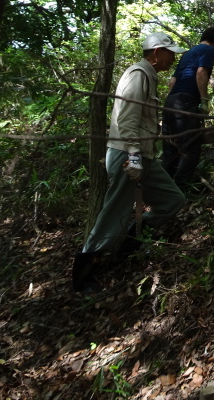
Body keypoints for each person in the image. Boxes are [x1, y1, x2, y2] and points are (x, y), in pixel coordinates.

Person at [72, 32, 188, 293]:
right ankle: (84, 275)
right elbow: (126, 119)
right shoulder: (138, 74)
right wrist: (133, 154)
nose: (173, 58)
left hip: (142, 155)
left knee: (173, 200)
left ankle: (126, 244)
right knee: (114, 212)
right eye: (170, 53)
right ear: (156, 52)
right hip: (128, 155)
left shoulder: (149, 76)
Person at [161, 26, 214, 190]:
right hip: (185, 102)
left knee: (170, 148)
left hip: (170, 101)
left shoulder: (188, 53)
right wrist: (204, 100)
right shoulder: (209, 50)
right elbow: (201, 72)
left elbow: (172, 81)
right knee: (191, 148)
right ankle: (180, 190)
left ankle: (162, 190)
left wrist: (171, 102)